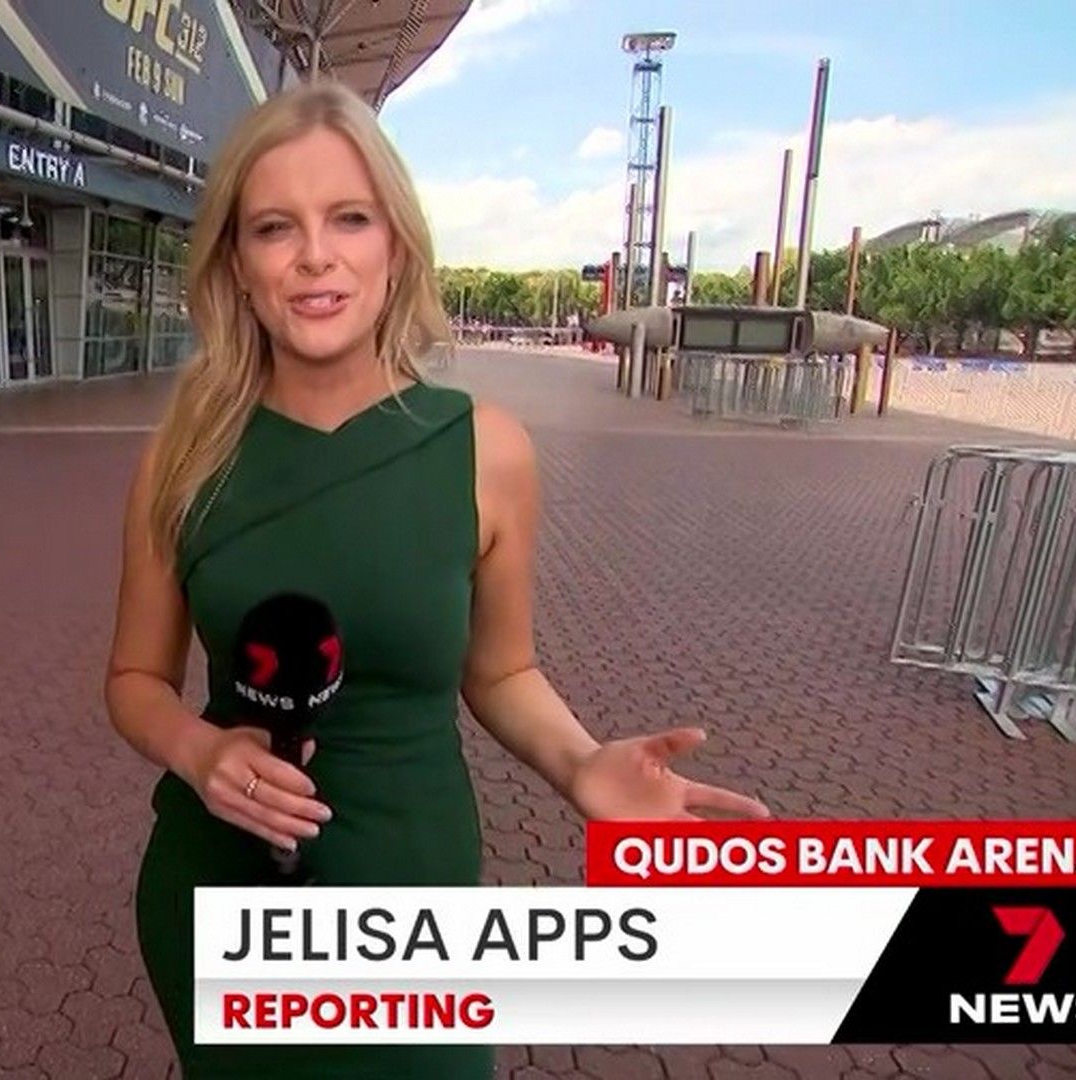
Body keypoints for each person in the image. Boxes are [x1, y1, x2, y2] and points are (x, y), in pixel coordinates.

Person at [104, 81, 769, 1078]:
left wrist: (581, 765)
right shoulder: (185, 456)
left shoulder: (484, 450)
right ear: (237, 264)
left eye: (350, 218)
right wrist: (199, 752)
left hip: (409, 887)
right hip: (220, 890)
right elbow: (133, 682)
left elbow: (499, 671)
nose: (316, 255)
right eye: (276, 227)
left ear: (397, 247)